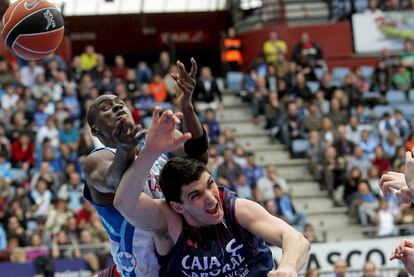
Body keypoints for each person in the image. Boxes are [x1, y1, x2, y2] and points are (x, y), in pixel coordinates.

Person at [114, 107, 310, 277]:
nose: (211, 199)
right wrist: (151, 151)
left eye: (209, 184)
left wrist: (288, 268)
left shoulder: (236, 209)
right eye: (195, 195)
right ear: (177, 206)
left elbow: (295, 238)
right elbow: (124, 203)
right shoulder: (169, 220)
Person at [82, 58, 209, 276]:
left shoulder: (157, 138)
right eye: (106, 108)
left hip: (177, 259)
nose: (117, 107)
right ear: (95, 130)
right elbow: (116, 181)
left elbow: (199, 159)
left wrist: (186, 106)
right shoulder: (96, 159)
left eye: (120, 104)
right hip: (139, 267)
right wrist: (125, 148)